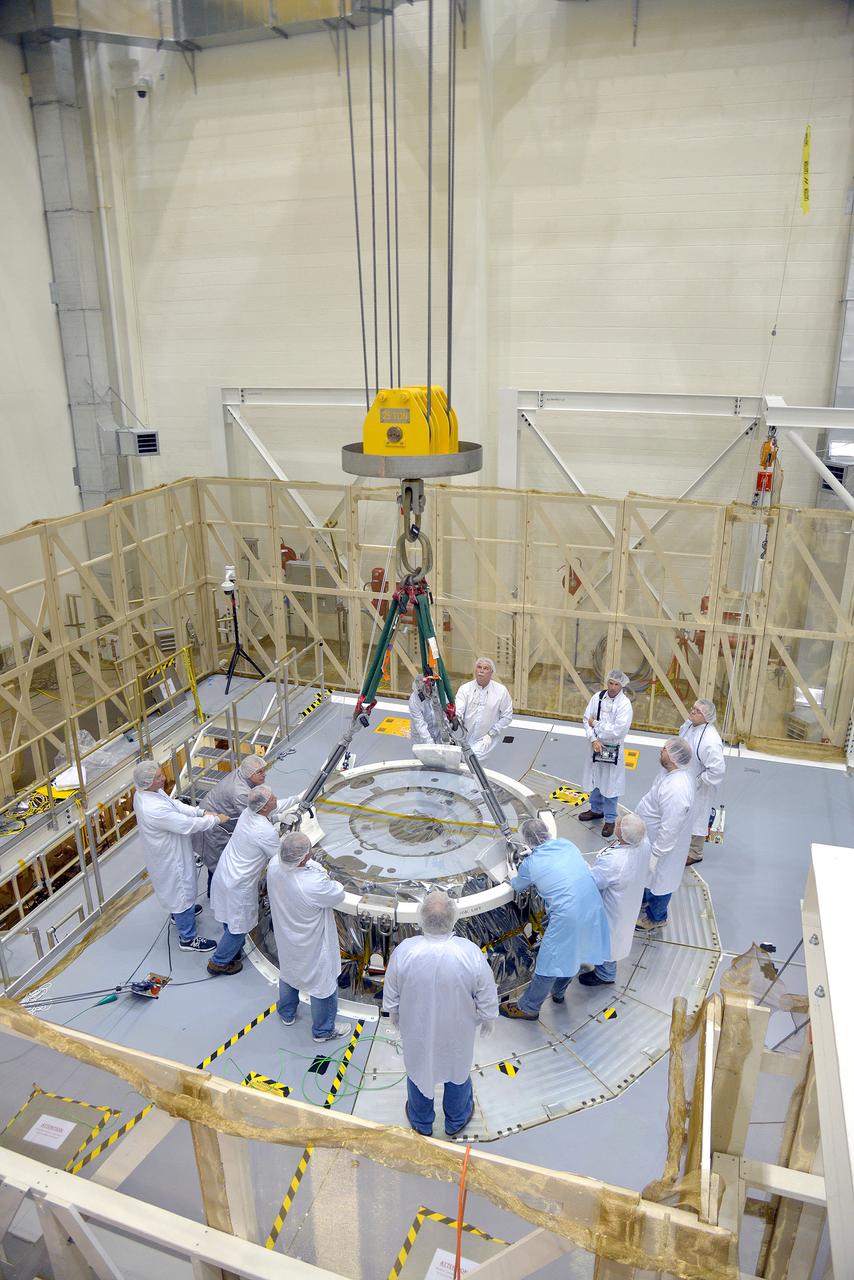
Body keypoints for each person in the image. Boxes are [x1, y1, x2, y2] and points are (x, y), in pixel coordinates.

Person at [383, 890, 498, 1137]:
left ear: (421, 918)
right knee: (457, 1069)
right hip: (457, 1030)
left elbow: (391, 990)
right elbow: (487, 992)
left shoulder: (405, 950)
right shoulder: (468, 953)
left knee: (417, 1068)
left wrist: (393, 1013)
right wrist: (488, 1018)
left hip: (416, 1029)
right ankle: (456, 1120)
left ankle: (421, 1122)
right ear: (453, 917)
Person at [499, 818, 610, 1019]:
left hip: (568, 916)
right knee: (574, 952)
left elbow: (517, 886)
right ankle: (558, 992)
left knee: (549, 961)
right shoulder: (567, 844)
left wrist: (513, 869)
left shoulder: (531, 864)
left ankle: (529, 1007)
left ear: (527, 840)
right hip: (592, 905)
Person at [132, 759, 230, 953]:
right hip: (171, 858)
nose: (164, 778)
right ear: (148, 781)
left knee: (179, 890)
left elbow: (174, 805)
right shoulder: (153, 809)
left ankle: (180, 915)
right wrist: (215, 820)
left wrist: (200, 811)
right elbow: (187, 825)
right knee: (181, 891)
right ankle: (188, 938)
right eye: (159, 777)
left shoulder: (147, 793)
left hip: (169, 850)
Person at [266, 831, 351, 1043]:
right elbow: (337, 893)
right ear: (304, 857)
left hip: (287, 936)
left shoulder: (274, 864)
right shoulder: (312, 884)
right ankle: (323, 1031)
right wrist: (323, 872)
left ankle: (287, 1013)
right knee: (323, 985)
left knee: (289, 973)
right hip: (312, 943)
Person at [208, 785, 280, 977]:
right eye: (273, 797)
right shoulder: (265, 831)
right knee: (239, 927)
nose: (276, 798)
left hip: (224, 874)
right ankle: (219, 962)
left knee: (229, 919)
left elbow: (276, 807)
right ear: (264, 807)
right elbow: (280, 858)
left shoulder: (249, 812)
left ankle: (233, 951)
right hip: (239, 885)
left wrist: (298, 801)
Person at [634, 737, 696, 931]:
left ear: (675, 758)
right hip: (651, 839)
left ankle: (657, 917)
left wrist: (657, 853)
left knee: (661, 881)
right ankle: (644, 901)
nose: (661, 750)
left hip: (663, 847)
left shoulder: (677, 788)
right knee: (649, 877)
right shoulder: (668, 773)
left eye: (666, 749)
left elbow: (670, 827)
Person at [582, 813, 649, 987]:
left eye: (620, 824)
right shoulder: (643, 843)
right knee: (615, 937)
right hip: (629, 898)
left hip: (613, 907)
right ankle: (606, 970)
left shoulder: (615, 862)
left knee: (608, 940)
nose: (617, 822)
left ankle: (605, 975)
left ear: (622, 834)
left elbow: (593, 881)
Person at [193, 755, 268, 891]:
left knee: (219, 863)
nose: (264, 774)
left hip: (218, 818)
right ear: (249, 773)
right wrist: (276, 818)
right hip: (214, 829)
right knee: (220, 865)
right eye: (260, 772)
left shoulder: (243, 772)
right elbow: (254, 819)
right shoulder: (240, 793)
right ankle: (216, 895)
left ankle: (215, 892)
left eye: (264, 770)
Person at [578, 670, 633, 838]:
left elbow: (617, 730)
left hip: (612, 748)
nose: (613, 687)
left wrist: (596, 724)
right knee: (595, 779)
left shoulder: (624, 704)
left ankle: (610, 819)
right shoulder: (598, 697)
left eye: (617, 684)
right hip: (595, 746)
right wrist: (594, 739)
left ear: (622, 685)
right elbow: (585, 718)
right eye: (611, 683)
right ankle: (596, 810)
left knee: (610, 785)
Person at [678, 699, 725, 865]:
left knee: (698, 815)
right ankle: (683, 844)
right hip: (684, 778)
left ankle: (695, 852)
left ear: (707, 717)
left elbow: (717, 770)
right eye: (693, 708)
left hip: (700, 787)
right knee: (684, 812)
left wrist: (698, 781)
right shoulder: (690, 725)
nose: (692, 712)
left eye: (697, 711)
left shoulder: (710, 740)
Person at [455, 657, 513, 758]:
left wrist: (491, 733)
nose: (481, 670)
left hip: (485, 739)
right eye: (479, 667)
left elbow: (507, 716)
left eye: (486, 668)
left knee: (476, 763)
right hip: (465, 738)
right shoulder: (465, 689)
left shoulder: (500, 691)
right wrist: (456, 718)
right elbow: (458, 710)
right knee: (464, 763)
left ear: (491, 673)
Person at [409, 674, 444, 745]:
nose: (429, 691)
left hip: (438, 734)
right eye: (427, 689)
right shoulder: (414, 700)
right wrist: (430, 744)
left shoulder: (438, 691)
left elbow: (444, 710)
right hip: (421, 739)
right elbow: (420, 724)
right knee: (424, 755)